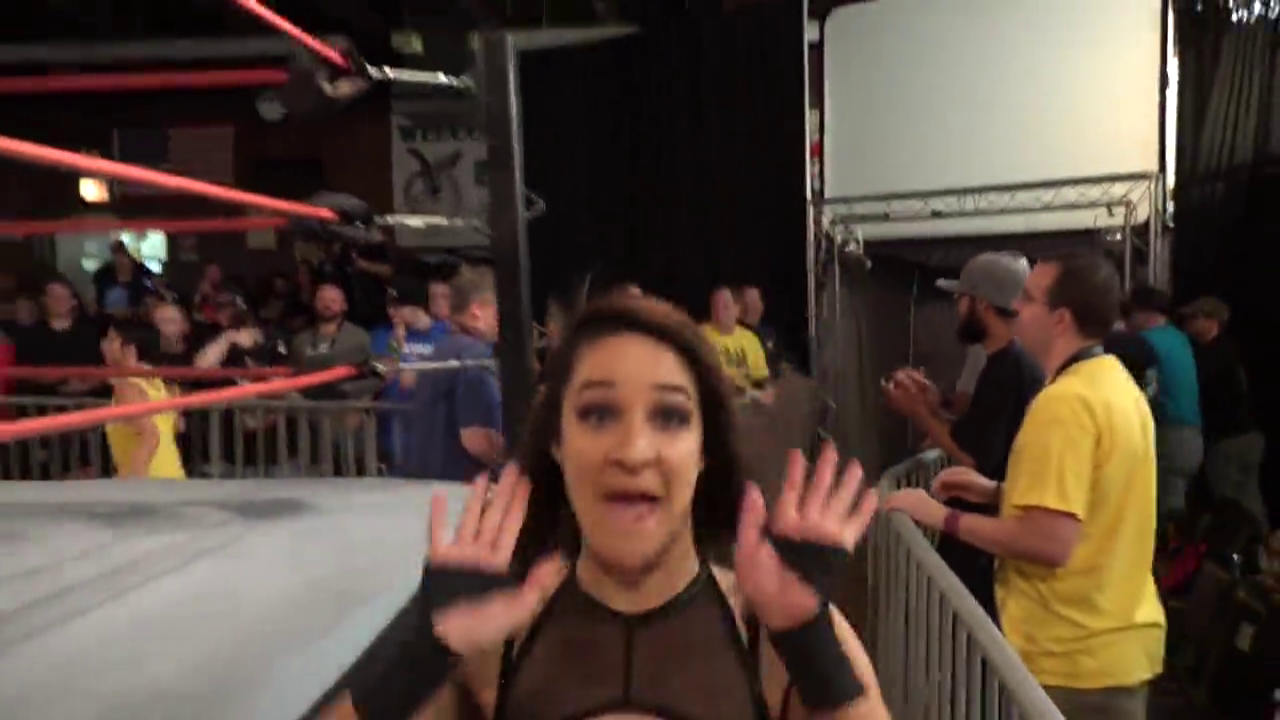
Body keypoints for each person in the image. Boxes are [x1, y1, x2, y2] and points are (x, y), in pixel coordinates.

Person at [320, 294, 888, 720]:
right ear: (557, 443)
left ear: (704, 451)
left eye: (670, 417)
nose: (633, 451)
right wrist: (421, 651)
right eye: (597, 414)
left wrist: (811, 646)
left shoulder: (773, 631)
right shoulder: (495, 637)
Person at [886, 252, 1165, 720]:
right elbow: (1098, 502)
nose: (1014, 307)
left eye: (1029, 298)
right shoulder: (1114, 383)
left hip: (1070, 656)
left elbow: (1048, 541)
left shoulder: (1066, 403)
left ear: (1061, 320)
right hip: (1109, 648)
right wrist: (999, 494)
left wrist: (940, 516)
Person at [883, 251, 1044, 620]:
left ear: (982, 305)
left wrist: (917, 411)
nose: (957, 308)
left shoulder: (1010, 366)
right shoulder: (1008, 361)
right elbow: (977, 431)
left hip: (990, 532)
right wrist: (934, 403)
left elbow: (973, 456)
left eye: (962, 298)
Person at [401, 266, 503, 481]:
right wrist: (516, 466)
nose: (499, 321)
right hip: (463, 487)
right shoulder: (475, 356)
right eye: (496, 313)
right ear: (476, 312)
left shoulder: (441, 350)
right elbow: (476, 439)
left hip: (428, 483)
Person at [1179, 296, 1267, 530]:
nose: (1187, 323)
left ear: (1213, 321)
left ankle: (1238, 546)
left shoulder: (1210, 356)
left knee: (1230, 504)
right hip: (1248, 435)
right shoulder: (1232, 349)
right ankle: (1259, 544)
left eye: (1194, 317)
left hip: (1228, 439)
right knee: (1248, 499)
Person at [1126, 284, 1202, 522]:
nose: (1129, 321)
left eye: (1131, 314)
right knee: (1175, 507)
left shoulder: (1145, 343)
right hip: (1193, 436)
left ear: (1144, 313)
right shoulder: (1181, 339)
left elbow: (1140, 392)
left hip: (1167, 435)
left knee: (1161, 515)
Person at [370, 276, 449, 472]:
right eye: (389, 306)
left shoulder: (446, 334)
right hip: (395, 431)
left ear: (415, 307)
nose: (391, 312)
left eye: (397, 307)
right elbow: (387, 374)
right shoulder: (382, 335)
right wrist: (398, 346)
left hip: (436, 430)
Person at [101, 320, 186, 480]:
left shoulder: (128, 387)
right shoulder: (161, 384)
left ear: (129, 349)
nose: (104, 344)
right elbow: (179, 426)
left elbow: (150, 435)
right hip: (172, 477)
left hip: (150, 481)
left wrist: (129, 481)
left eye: (111, 340)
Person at [703, 286, 772, 403]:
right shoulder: (699, 335)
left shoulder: (750, 340)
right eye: (715, 307)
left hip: (745, 402)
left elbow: (761, 378)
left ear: (737, 310)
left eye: (725, 306)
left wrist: (765, 391)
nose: (719, 312)